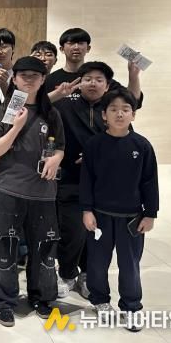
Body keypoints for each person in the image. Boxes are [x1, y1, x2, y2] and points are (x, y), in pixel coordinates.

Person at [0, 56, 65, 328]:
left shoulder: (51, 113)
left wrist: (56, 159)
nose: (29, 80)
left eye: (35, 75)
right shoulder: (1, 111)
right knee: (3, 247)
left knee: (44, 247)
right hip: (8, 189)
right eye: (23, 75)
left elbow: (60, 146)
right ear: (14, 79)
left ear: (43, 80)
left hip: (43, 192)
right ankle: (2, 301)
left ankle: (42, 297)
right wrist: (17, 126)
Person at [81, 87, 159, 332]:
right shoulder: (94, 145)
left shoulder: (142, 146)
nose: (119, 114)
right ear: (104, 114)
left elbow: (150, 182)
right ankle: (100, 301)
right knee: (97, 262)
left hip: (132, 218)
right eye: (113, 109)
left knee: (130, 265)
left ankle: (131, 307)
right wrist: (87, 210)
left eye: (126, 109)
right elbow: (87, 180)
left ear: (133, 115)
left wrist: (150, 213)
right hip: (100, 217)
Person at [53, 61, 113, 299]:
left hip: (103, 181)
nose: (93, 83)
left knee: (97, 231)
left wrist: (95, 155)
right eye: (88, 79)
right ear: (79, 83)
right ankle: (67, 273)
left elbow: (122, 138)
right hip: (70, 179)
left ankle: (88, 274)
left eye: (99, 80)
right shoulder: (64, 106)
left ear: (107, 85)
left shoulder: (113, 108)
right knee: (72, 230)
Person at [45, 28, 143, 107]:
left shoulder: (100, 79)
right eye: (71, 43)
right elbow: (38, 105)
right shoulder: (50, 80)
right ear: (62, 49)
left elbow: (133, 101)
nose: (76, 47)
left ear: (88, 48)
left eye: (81, 43)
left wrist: (133, 76)